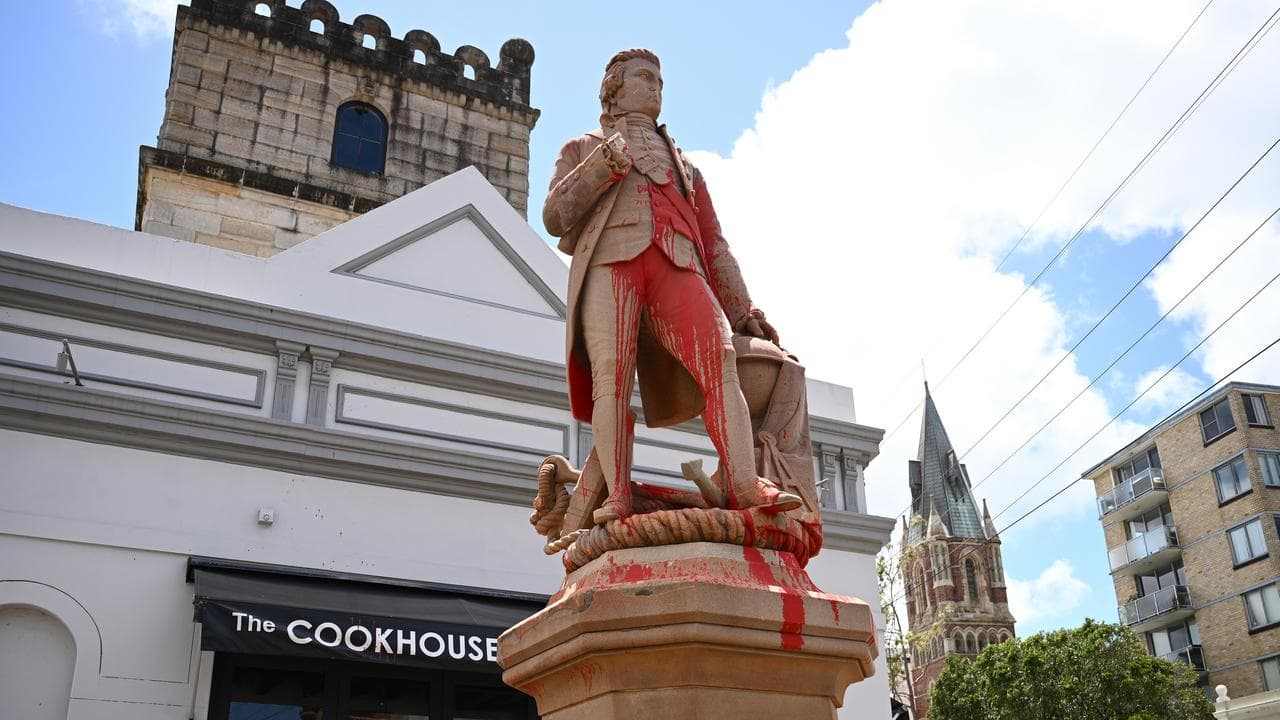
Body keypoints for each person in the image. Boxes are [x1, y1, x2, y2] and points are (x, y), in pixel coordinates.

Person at [543, 48, 800, 524]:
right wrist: (601, 167)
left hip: (678, 262)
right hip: (611, 262)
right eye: (644, 77)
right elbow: (555, 216)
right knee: (611, 378)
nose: (656, 86)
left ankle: (747, 483)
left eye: (660, 80)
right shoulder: (582, 147)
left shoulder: (686, 167)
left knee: (720, 357)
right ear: (614, 89)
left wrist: (743, 309)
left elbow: (715, 243)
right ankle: (617, 495)